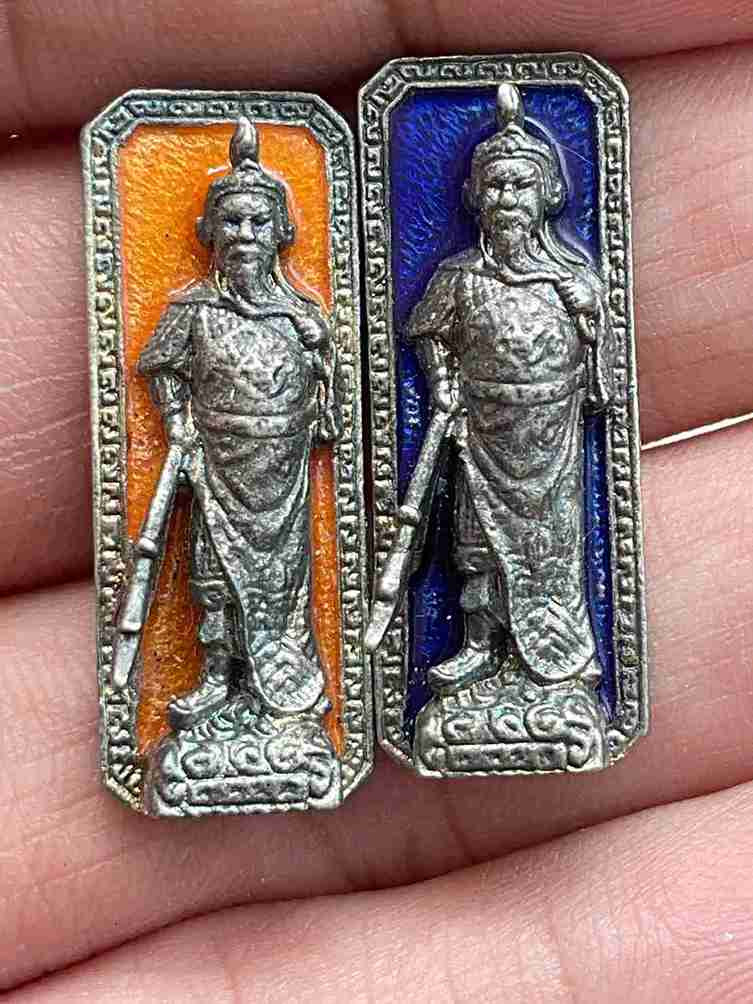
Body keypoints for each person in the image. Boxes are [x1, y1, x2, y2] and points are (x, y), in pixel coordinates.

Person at [408, 84, 613, 769]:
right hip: (481, 428)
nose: (506, 199)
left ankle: (552, 662)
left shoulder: (571, 280)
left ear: (547, 193)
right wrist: (442, 386)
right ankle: (480, 644)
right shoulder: (458, 276)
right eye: (494, 185)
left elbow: (602, 373)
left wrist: (590, 323)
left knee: (549, 547)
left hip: (550, 434)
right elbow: (428, 335)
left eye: (520, 185)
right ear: (474, 196)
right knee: (476, 543)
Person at [138, 117, 339, 730]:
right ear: (208, 231)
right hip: (216, 464)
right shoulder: (193, 310)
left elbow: (329, 389)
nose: (245, 234)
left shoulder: (302, 315)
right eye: (231, 222)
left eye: (258, 222)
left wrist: (320, 358)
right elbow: (162, 368)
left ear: (282, 232)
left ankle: (281, 686)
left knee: (284, 580)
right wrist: (177, 423)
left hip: (283, 469)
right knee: (214, 573)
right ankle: (218, 677)